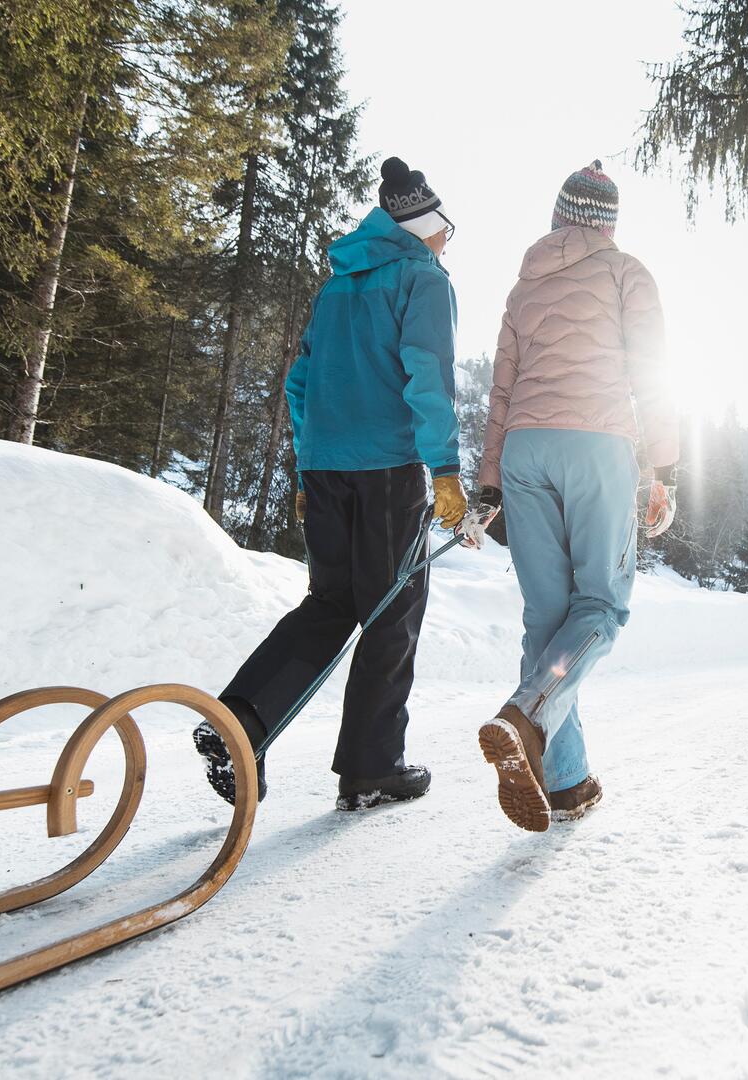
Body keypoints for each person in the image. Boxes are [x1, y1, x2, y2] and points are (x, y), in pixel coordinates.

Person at [194, 156, 467, 810]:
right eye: (444, 230)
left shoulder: (337, 287)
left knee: (330, 606)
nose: (448, 242)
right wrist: (447, 470)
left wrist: (305, 466)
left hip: (326, 471)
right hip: (389, 472)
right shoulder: (423, 281)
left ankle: (240, 721)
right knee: (390, 615)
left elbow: (300, 383)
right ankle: (373, 768)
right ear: (422, 225)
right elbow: (426, 376)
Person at [472, 160, 678, 832]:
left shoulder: (523, 286)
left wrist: (490, 482)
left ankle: (563, 781)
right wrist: (664, 471)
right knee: (602, 605)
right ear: (608, 224)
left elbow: (500, 392)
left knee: (547, 617)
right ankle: (528, 714)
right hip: (596, 445)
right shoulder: (626, 273)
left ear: (558, 219)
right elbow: (654, 377)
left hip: (527, 448)